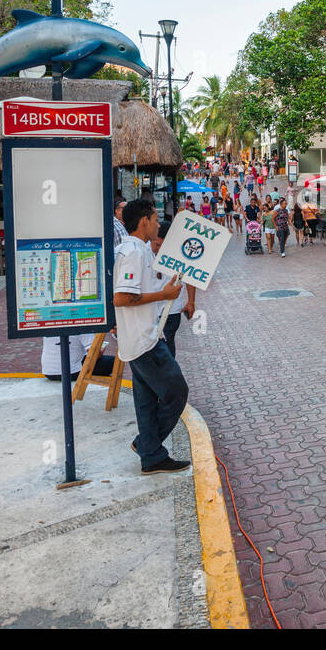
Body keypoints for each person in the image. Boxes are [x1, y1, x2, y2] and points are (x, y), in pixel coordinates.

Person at [113, 200, 191, 474]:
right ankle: (147, 445)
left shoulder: (133, 250)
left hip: (137, 338)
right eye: (156, 218)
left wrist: (167, 287)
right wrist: (164, 295)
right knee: (177, 391)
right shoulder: (133, 251)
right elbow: (121, 297)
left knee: (146, 403)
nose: (159, 223)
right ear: (144, 221)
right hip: (144, 341)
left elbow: (139, 290)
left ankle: (152, 456)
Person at [152, 220, 196, 356]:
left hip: (171, 310)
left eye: (163, 246)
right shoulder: (144, 250)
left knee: (167, 346)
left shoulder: (181, 252)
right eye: (157, 244)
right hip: (149, 309)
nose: (159, 249)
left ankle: (168, 373)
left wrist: (191, 301)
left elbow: (189, 277)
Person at [41, 333, 113, 381]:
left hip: (48, 372)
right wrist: (101, 348)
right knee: (113, 362)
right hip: (73, 372)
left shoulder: (50, 322)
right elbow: (95, 354)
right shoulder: (82, 323)